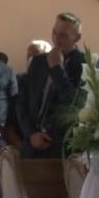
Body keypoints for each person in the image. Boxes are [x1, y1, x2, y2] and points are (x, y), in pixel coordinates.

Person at [18, 12, 85, 158]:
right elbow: (23, 102)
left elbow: (74, 102)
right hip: (32, 144)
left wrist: (57, 69)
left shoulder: (84, 64)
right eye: (54, 32)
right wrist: (31, 134)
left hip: (63, 146)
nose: (56, 39)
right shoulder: (38, 62)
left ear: (77, 38)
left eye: (63, 35)